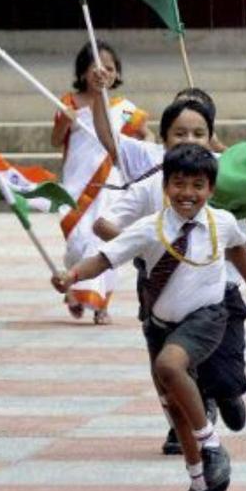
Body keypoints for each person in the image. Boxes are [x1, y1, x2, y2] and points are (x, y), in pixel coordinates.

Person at [52, 144, 246, 491]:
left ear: (211, 188)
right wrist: (72, 277)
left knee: (169, 366)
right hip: (161, 324)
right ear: (166, 185)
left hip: (207, 317)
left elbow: (239, 249)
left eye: (198, 185)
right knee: (175, 408)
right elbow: (104, 258)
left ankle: (212, 446)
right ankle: (201, 483)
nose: (188, 193)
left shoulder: (223, 221)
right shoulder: (149, 227)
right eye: (179, 183)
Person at [94, 97, 246, 455]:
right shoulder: (150, 181)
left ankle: (226, 392)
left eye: (199, 133)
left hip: (219, 291)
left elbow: (242, 222)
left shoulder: (220, 175)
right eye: (180, 133)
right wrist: (139, 246)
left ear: (212, 138)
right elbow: (104, 222)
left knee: (223, 374)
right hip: (161, 291)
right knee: (169, 365)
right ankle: (190, 431)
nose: (189, 139)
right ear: (164, 139)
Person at [51, 40, 151, 325]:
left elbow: (147, 135)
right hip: (76, 185)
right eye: (96, 67)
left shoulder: (124, 108)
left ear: (116, 74)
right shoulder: (68, 103)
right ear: (83, 72)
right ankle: (75, 285)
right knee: (77, 243)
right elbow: (56, 141)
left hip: (110, 185)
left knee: (102, 243)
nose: (102, 73)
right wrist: (63, 122)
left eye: (109, 68)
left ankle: (100, 303)